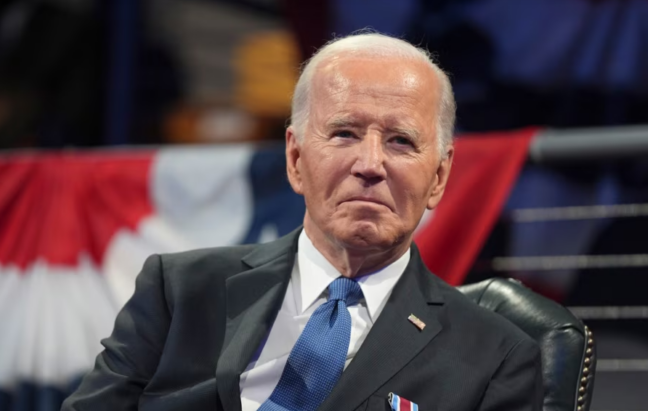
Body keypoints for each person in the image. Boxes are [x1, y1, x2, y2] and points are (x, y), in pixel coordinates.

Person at [62, 32, 542, 411]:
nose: (370, 164)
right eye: (345, 133)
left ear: (438, 177)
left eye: (400, 140)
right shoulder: (179, 291)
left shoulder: (495, 357)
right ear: (295, 159)